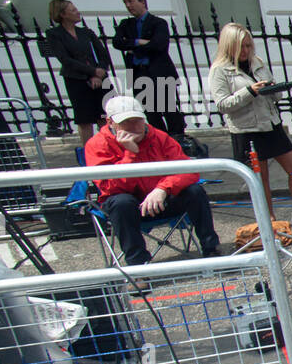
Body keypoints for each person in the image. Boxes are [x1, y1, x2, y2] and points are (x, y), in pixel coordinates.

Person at [84, 95, 220, 265]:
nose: (134, 126)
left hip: (161, 199)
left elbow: (189, 170)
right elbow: (109, 187)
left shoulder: (159, 137)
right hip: (128, 206)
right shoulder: (97, 144)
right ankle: (138, 265)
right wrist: (131, 155)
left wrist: (163, 189)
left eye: (137, 120)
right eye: (126, 122)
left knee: (195, 191)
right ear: (110, 122)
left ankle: (212, 250)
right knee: (121, 203)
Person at [209, 22, 292, 219]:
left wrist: (273, 88)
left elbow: (275, 93)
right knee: (260, 179)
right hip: (247, 130)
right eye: (241, 47)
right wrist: (248, 92)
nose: (245, 51)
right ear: (229, 46)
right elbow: (222, 104)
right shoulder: (219, 70)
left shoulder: (257, 62)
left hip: (270, 124)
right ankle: (269, 219)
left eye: (248, 46)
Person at [111, 0, 184, 136]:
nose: (128, 5)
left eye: (131, 1)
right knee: (150, 111)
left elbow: (159, 45)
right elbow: (117, 42)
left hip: (159, 72)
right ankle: (159, 137)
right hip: (138, 73)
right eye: (125, 2)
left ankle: (178, 137)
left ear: (142, 1)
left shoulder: (158, 23)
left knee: (168, 107)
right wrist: (139, 42)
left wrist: (132, 47)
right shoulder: (126, 24)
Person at [45, 0, 115, 145]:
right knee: (84, 119)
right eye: (73, 10)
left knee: (104, 115)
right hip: (76, 80)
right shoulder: (54, 34)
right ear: (63, 14)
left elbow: (102, 54)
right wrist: (92, 72)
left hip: (100, 78)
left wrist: (99, 72)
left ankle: (110, 146)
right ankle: (89, 152)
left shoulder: (87, 33)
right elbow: (65, 59)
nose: (77, 12)